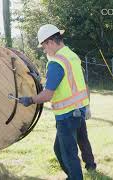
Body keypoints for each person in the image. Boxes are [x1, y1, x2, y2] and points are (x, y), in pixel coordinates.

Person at [18, 24, 95, 179]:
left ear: (50, 42)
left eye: (44, 47)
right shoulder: (72, 56)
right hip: (79, 112)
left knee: (68, 154)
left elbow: (47, 95)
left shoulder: (56, 63)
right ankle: (82, 170)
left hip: (66, 116)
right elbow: (84, 84)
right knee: (61, 149)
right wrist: (87, 106)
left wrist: (30, 99)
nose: (45, 51)